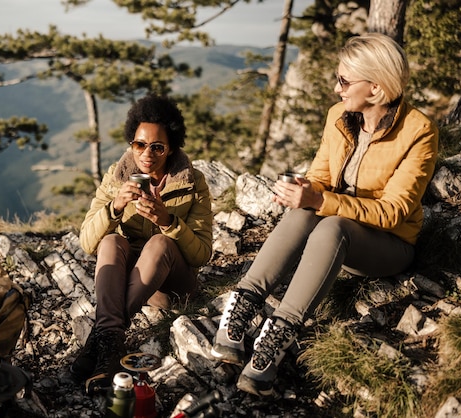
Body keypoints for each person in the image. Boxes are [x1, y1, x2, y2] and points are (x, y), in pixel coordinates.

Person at [210, 33, 439, 397]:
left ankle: (279, 335)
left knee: (329, 224)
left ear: (377, 89)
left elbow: (394, 213)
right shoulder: (339, 117)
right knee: (306, 214)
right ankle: (243, 305)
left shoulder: (419, 132)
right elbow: (321, 177)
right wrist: (305, 191)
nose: (336, 89)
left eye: (345, 81)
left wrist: (320, 201)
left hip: (386, 245)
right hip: (330, 234)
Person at [72, 94, 213, 394]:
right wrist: (115, 207)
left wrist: (169, 222)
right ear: (131, 143)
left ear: (171, 147)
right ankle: (110, 341)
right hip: (134, 283)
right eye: (139, 144)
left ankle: (100, 340)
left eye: (157, 147)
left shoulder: (192, 181)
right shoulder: (118, 176)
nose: (146, 154)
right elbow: (87, 242)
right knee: (110, 241)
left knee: (160, 243)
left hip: (172, 287)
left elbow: (201, 254)